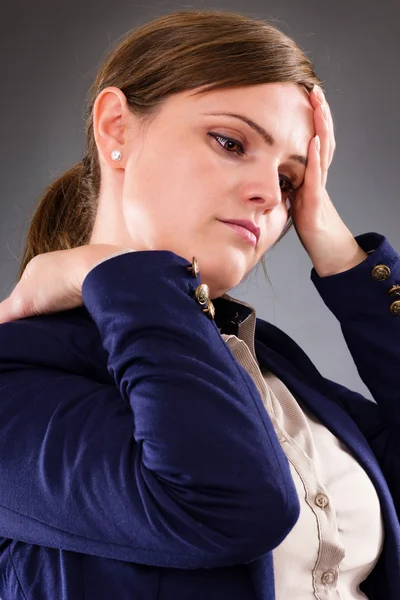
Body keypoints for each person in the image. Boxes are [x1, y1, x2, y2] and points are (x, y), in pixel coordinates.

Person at [0, 7, 398, 600]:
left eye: (290, 180)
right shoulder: (18, 371)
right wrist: (113, 270)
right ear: (115, 128)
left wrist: (338, 248)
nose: (269, 193)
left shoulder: (273, 365)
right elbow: (227, 505)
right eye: (230, 142)